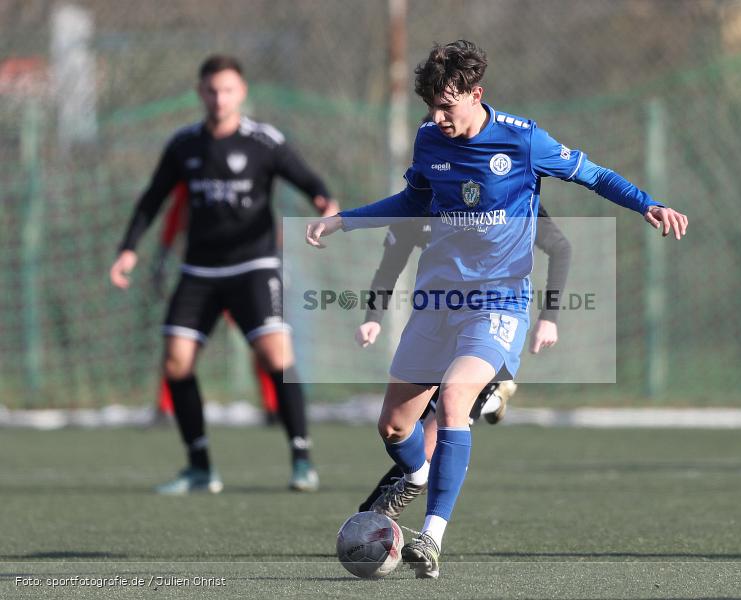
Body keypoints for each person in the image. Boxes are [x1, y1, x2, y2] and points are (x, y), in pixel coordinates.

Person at [306, 40, 686, 578]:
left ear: (476, 94)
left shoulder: (524, 139)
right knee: (394, 427)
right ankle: (415, 476)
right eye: (431, 108)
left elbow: (594, 174)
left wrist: (647, 202)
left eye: (448, 106)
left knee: (457, 398)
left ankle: (432, 537)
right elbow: (414, 204)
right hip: (437, 300)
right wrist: (344, 219)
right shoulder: (427, 139)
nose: (438, 118)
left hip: (499, 301)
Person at [110, 54, 338, 494]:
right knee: (176, 361)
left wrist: (325, 204)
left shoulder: (264, 141)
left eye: (227, 90)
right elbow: (152, 198)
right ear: (201, 93)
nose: (219, 98)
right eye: (212, 90)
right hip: (200, 268)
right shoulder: (183, 145)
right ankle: (199, 467)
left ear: (242, 93)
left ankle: (301, 457)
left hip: (255, 265)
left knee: (275, 355)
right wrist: (127, 250)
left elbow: (308, 179)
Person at [355, 205, 571, 512]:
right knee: (399, 428)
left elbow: (560, 248)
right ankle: (494, 398)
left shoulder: (504, 189)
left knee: (432, 442)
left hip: (487, 331)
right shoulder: (422, 196)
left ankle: (373, 515)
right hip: (437, 333)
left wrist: (549, 316)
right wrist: (372, 317)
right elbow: (390, 266)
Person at [151, 182, 280, 426]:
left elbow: (264, 218)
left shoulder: (253, 167)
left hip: (245, 274)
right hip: (203, 276)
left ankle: (274, 407)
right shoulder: (193, 172)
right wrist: (163, 253)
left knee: (266, 342)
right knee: (180, 344)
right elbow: (176, 214)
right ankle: (166, 407)